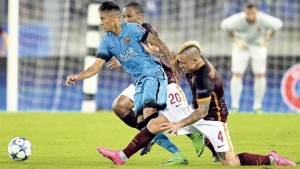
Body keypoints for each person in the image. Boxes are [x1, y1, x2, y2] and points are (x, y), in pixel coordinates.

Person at [97, 40, 296, 167]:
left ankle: (272, 159)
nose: (179, 67)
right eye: (180, 62)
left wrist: (177, 124)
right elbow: (170, 58)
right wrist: (145, 50)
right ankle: (121, 157)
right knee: (154, 124)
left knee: (231, 162)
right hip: (193, 109)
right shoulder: (190, 60)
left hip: (213, 119)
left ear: (195, 61)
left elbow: (202, 112)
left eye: (183, 64)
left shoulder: (205, 78)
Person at [64, 1, 184, 165]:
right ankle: (173, 133)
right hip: (139, 81)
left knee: (150, 116)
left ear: (114, 18)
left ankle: (127, 155)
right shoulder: (106, 41)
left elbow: (158, 43)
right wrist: (77, 76)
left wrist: (172, 62)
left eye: (102, 19)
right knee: (136, 117)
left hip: (153, 75)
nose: (101, 23)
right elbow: (95, 67)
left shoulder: (134, 29)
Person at [107, 2, 206, 164]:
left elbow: (157, 52)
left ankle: (218, 151)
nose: (126, 19)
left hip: (164, 80)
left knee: (185, 119)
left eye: (130, 16)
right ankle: (155, 140)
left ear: (140, 17)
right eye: (124, 16)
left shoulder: (146, 31)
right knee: (120, 106)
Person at [221, 2, 283, 113]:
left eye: (253, 13)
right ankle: (235, 106)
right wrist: (236, 40)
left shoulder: (263, 18)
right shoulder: (238, 19)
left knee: (260, 74)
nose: (250, 16)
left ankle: (257, 107)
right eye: (248, 13)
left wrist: (266, 39)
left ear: (257, 12)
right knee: (237, 73)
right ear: (245, 12)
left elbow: (278, 24)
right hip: (241, 46)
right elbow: (225, 26)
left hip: (257, 46)